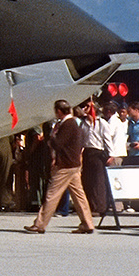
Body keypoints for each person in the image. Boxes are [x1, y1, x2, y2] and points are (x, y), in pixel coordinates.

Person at [24, 100, 95, 234]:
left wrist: (51, 137)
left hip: (65, 165)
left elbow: (58, 144)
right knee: (79, 195)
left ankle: (40, 224)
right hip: (73, 164)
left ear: (59, 111)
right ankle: (87, 223)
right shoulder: (74, 123)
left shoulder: (68, 124)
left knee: (52, 195)